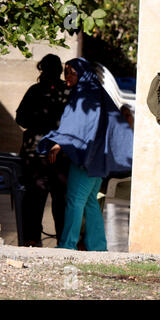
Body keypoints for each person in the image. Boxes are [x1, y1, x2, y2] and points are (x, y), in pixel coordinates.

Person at [37, 57, 134, 251]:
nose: (67, 76)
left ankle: (68, 244)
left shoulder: (84, 94)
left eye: (71, 72)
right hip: (97, 158)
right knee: (90, 202)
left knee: (75, 200)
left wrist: (58, 144)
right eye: (66, 72)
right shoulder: (95, 92)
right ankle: (97, 246)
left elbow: (79, 126)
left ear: (82, 73)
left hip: (86, 158)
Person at [15, 54, 70, 247]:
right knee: (60, 199)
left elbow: (20, 119)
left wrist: (37, 124)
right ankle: (63, 241)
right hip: (60, 152)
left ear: (42, 69)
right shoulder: (68, 92)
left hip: (34, 152)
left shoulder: (34, 91)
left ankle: (31, 240)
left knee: (33, 199)